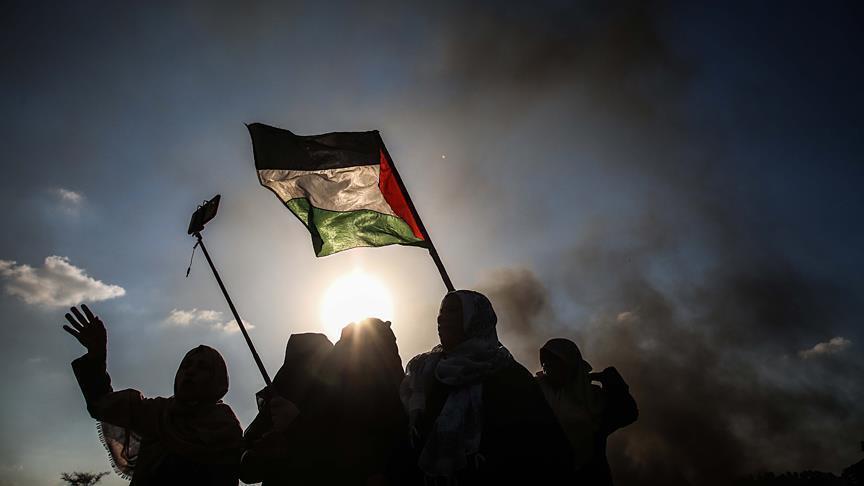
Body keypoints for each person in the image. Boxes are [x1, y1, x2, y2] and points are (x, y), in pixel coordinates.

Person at [401, 290, 573, 485]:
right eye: (441, 311)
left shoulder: (508, 375)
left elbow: (543, 446)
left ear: (475, 320)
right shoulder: (424, 372)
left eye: (453, 311)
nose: (441, 318)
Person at [63, 305, 243, 486]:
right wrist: (97, 355)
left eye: (202, 367)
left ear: (216, 379)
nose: (190, 372)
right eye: (186, 365)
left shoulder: (224, 428)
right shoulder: (157, 413)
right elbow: (102, 404)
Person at [249, 318, 406, 485]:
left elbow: (344, 454)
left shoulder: (387, 401)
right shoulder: (299, 394)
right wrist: (262, 452)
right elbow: (247, 467)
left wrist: (296, 425)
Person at [536, 338, 638, 486]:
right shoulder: (537, 391)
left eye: (555, 360)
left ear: (570, 363)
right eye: (545, 361)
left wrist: (613, 382)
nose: (547, 365)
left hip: (589, 475)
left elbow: (628, 413)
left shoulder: (593, 398)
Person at [240, 333, 333, 485]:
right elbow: (247, 471)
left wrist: (296, 423)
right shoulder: (277, 397)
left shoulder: (337, 398)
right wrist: (261, 450)